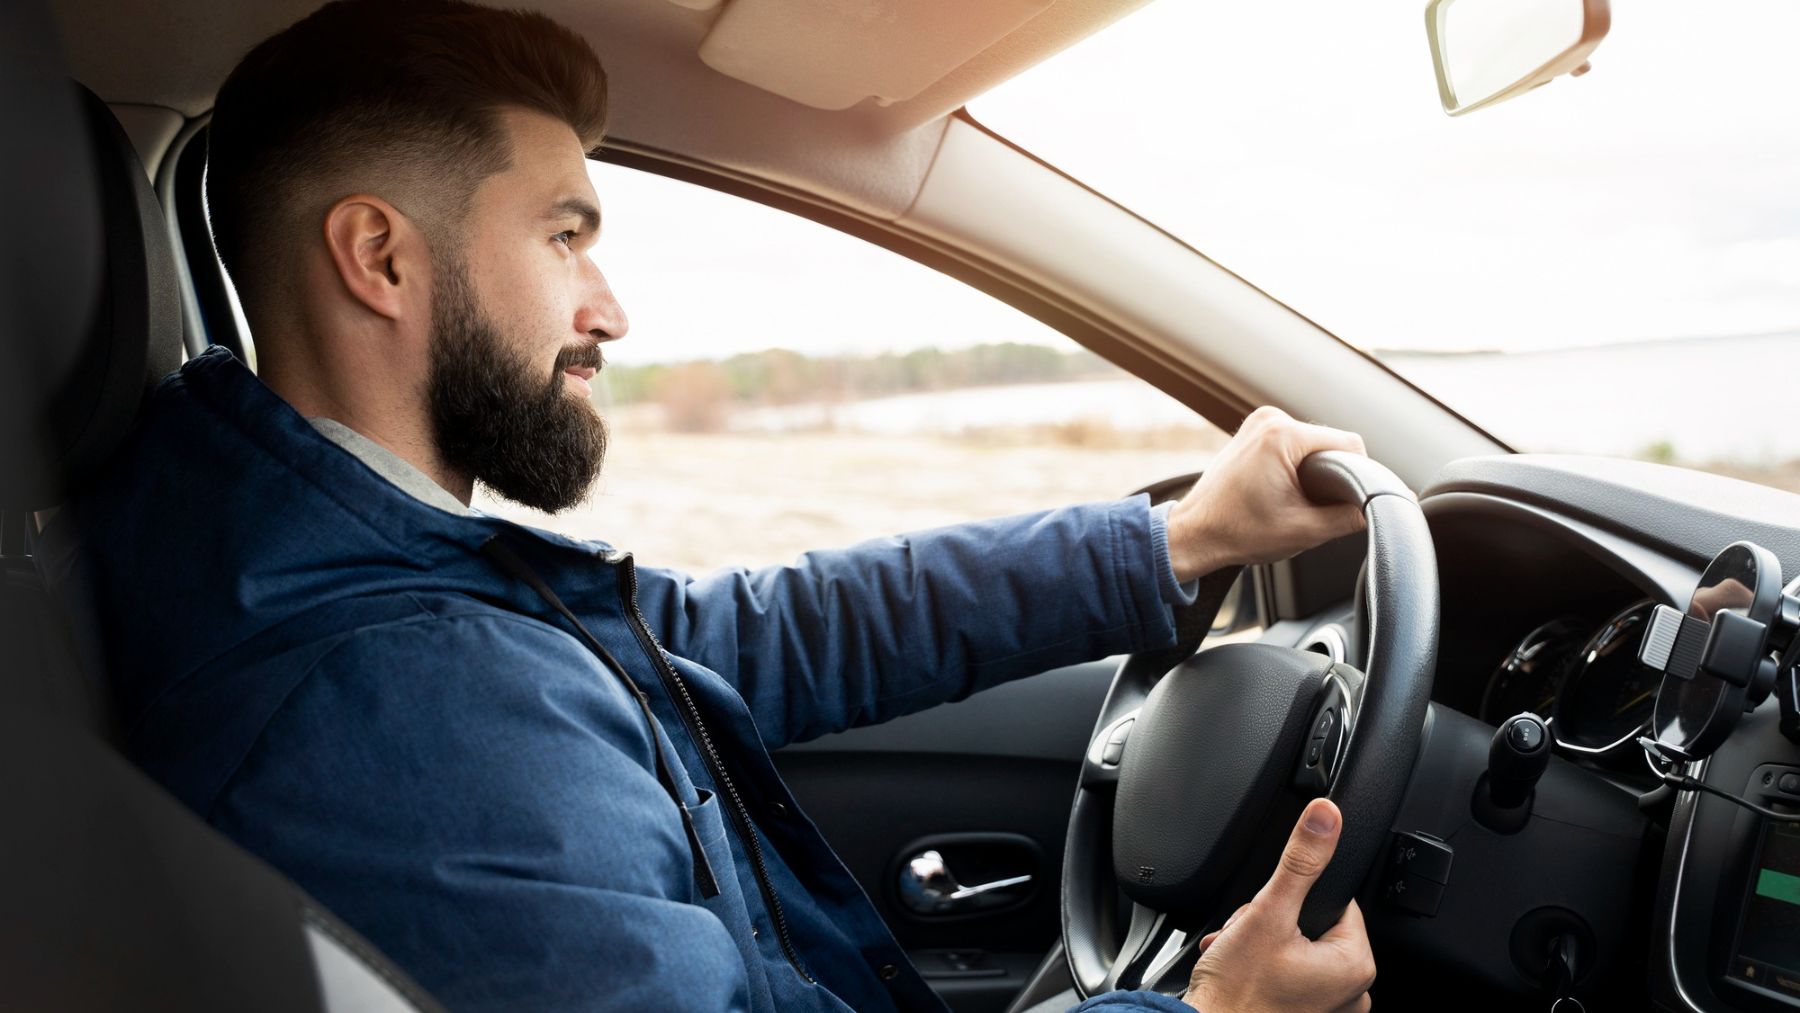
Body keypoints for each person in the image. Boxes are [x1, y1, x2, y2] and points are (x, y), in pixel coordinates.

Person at [53, 1, 1378, 1009]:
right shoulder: (401, 706)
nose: (610, 308)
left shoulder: (326, 549)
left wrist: (1176, 540)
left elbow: (743, 636)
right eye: (565, 234)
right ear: (382, 258)